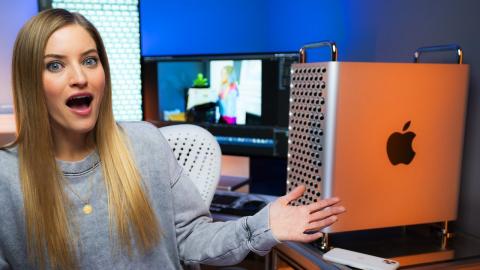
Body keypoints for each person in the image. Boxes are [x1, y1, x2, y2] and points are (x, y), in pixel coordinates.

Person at [0, 9, 346, 270]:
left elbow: (192, 238)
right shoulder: (6, 179)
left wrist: (263, 225)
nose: (79, 77)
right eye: (55, 66)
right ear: (30, 81)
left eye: (89, 60)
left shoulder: (145, 144)